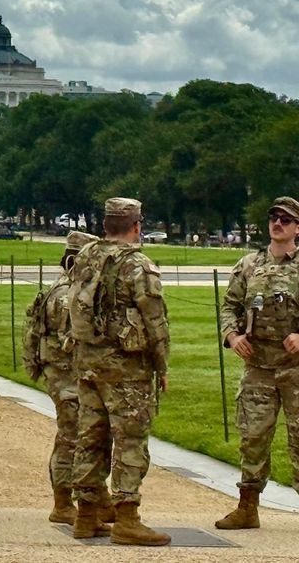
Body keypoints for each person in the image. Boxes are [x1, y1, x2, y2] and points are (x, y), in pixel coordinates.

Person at [216, 196, 299, 535]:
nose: (278, 224)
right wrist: (232, 336)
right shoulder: (248, 265)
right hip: (258, 366)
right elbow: (229, 306)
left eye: (286, 220)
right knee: (253, 436)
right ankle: (247, 507)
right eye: (274, 218)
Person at [68, 197, 171, 546]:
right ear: (137, 225)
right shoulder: (138, 265)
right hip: (126, 369)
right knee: (130, 442)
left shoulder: (86, 256)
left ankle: (86, 514)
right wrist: (162, 364)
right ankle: (127, 517)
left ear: (106, 224)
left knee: (90, 437)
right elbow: (154, 320)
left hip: (87, 363)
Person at [23, 230, 103, 526]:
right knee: (71, 438)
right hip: (67, 377)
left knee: (80, 436)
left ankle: (93, 497)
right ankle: (62, 502)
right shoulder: (68, 295)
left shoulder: (61, 288)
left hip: (62, 374)